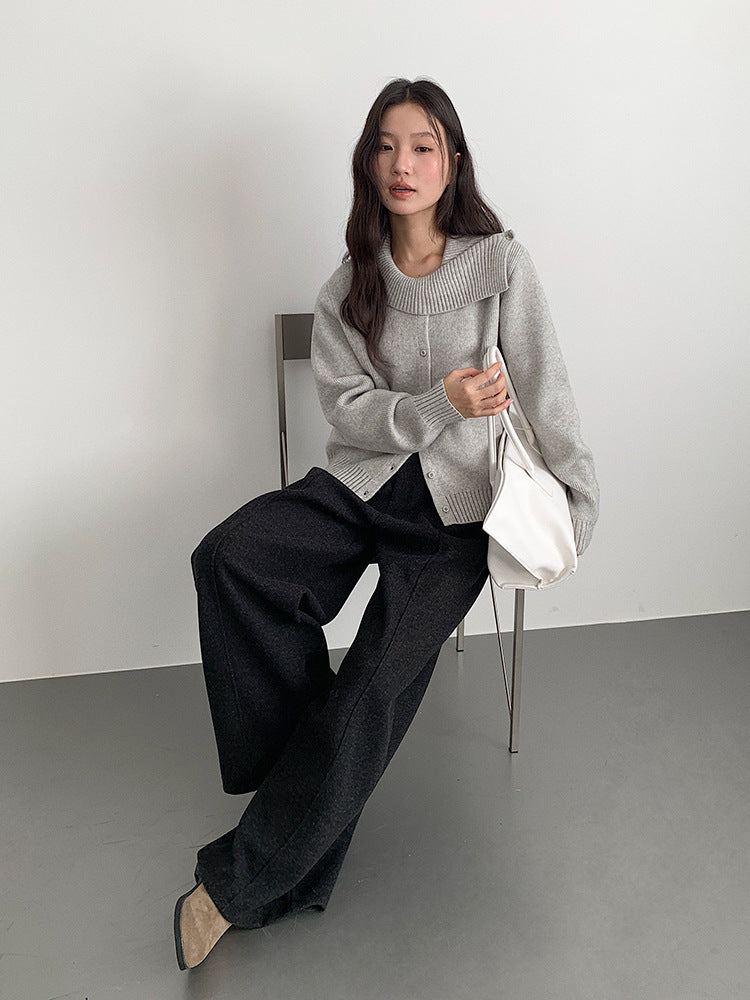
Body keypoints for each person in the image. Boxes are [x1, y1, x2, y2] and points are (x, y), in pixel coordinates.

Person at [173, 76, 600, 970]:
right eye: (386, 146)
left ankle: (235, 886)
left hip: (457, 513)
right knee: (230, 560)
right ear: (368, 163)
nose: (403, 163)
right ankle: (303, 783)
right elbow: (348, 410)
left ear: (452, 162)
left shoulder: (501, 266)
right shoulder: (350, 284)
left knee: (368, 691)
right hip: (362, 483)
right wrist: (437, 403)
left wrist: (578, 496)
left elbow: (546, 386)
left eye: (423, 146)